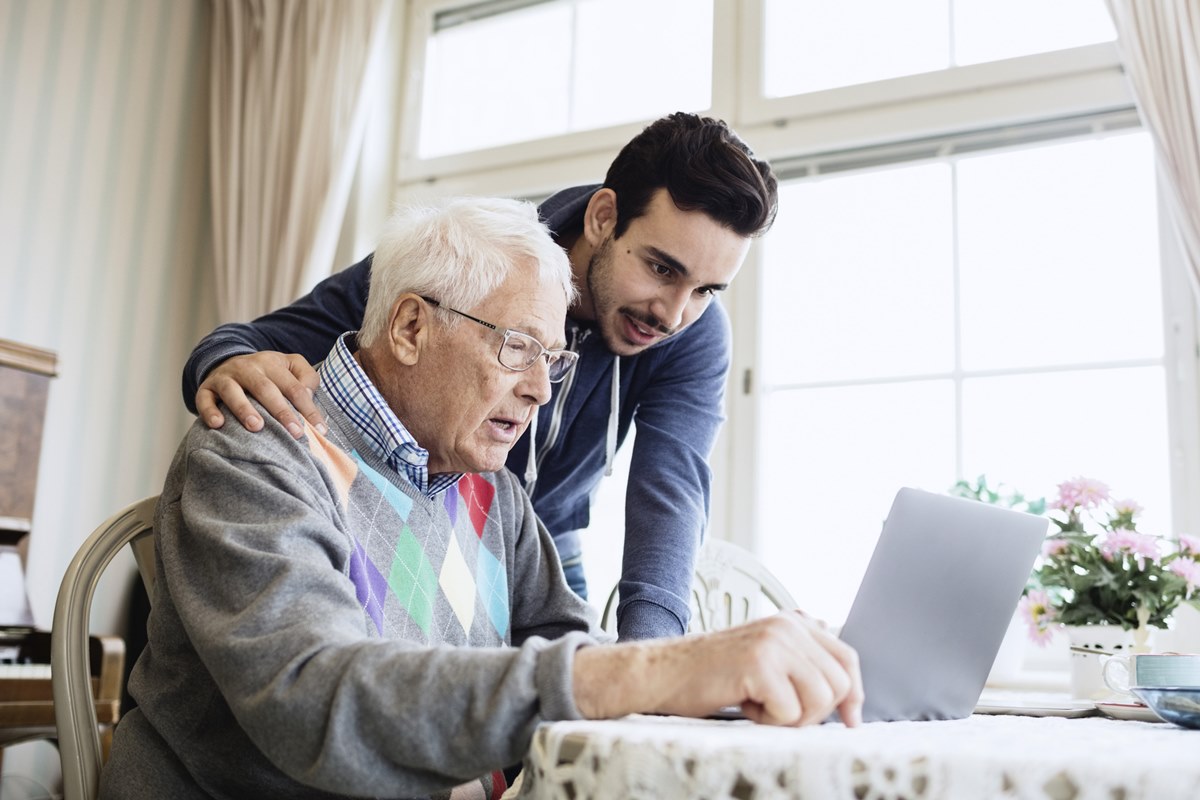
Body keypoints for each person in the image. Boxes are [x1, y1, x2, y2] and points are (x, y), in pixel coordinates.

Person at [103, 198, 862, 800]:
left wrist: (702, 684)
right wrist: (650, 673)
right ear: (408, 326)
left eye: (553, 358)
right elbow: (317, 701)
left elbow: (573, 641)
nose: (539, 390)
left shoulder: (487, 488)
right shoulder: (256, 451)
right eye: (517, 348)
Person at [182, 112, 778, 641]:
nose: (673, 314)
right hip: (418, 518)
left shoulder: (692, 333)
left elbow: (671, 490)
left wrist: (651, 661)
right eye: (660, 268)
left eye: (705, 290)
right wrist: (225, 363)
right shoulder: (480, 263)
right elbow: (261, 341)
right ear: (604, 218)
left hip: (537, 547)